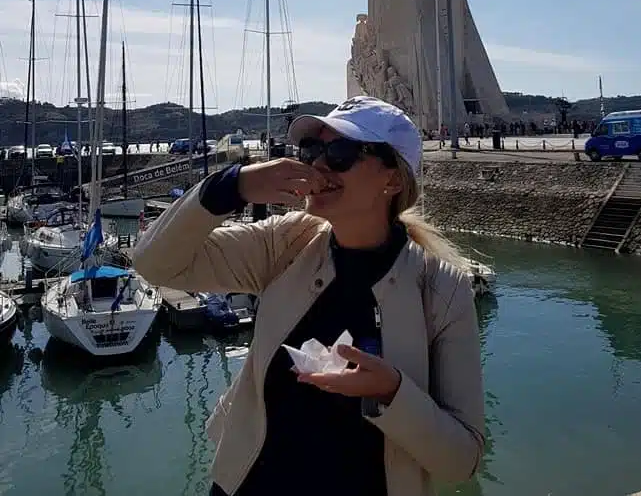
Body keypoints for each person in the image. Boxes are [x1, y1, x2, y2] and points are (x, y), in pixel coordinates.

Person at [133, 95, 484, 496]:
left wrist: (391, 392)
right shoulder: (287, 242)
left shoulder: (442, 289)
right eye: (312, 149)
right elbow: (155, 264)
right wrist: (233, 185)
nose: (317, 164)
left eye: (340, 151)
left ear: (393, 179)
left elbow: (462, 460)